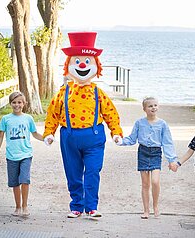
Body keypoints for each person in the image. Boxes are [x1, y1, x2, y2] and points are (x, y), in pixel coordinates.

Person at [43, 32, 123, 219]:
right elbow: (53, 113)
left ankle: (92, 206)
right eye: (77, 61)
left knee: (93, 171)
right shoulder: (63, 92)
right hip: (69, 137)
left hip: (94, 137)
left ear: (96, 66)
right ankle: (76, 205)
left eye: (87, 61)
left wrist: (116, 132)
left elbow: (110, 113)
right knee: (73, 173)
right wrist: (49, 132)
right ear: (68, 65)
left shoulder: (98, 92)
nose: (81, 65)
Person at [115, 96, 177, 219]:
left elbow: (167, 142)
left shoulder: (162, 124)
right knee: (145, 183)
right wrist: (120, 141)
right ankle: (146, 210)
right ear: (144, 109)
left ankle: (155, 206)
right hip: (143, 152)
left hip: (156, 153)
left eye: (155, 105)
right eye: (150, 106)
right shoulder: (139, 123)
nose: (153, 107)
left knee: (155, 181)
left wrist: (172, 160)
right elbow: (132, 139)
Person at [0, 91, 43, 217]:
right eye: (14, 102)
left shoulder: (28, 118)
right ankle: (18, 206)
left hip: (26, 154)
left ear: (24, 103)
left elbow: (35, 134)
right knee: (15, 183)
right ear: (10, 104)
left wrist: (46, 138)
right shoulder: (6, 119)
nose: (17, 105)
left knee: (25, 180)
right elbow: (0, 136)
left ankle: (25, 206)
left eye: (19, 102)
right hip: (11, 156)